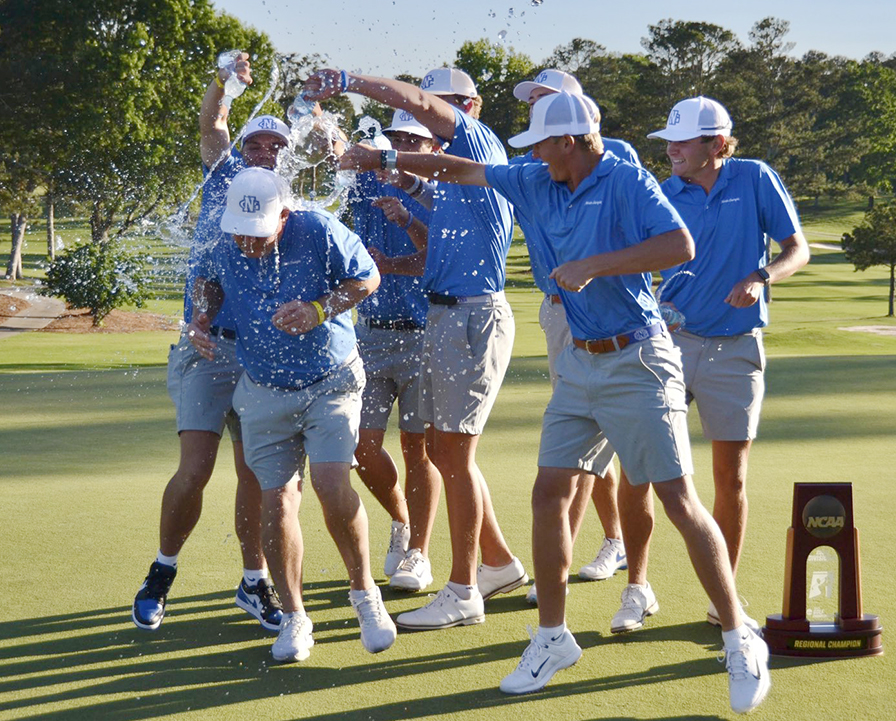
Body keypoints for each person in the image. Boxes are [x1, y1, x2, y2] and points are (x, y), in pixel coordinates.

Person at [339, 92, 772, 714]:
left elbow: (679, 245)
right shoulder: (537, 178)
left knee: (678, 500)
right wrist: (382, 157)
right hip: (578, 364)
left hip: (637, 359)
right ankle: (551, 637)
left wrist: (594, 265)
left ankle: (737, 637)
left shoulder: (625, 180)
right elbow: (459, 169)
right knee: (549, 492)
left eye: (542, 144)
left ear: (569, 141)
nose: (534, 155)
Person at [306, 67, 528, 630]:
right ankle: (497, 565)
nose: (428, 112)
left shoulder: (475, 140)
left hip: (470, 315)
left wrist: (350, 79)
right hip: (449, 317)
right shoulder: (451, 174)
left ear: (468, 107)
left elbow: (407, 112)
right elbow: (423, 200)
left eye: (438, 105)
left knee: (451, 456)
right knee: (451, 455)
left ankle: (463, 589)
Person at [189, 166, 396, 662]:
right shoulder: (225, 237)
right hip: (262, 389)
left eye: (257, 232)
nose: (247, 242)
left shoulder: (319, 228)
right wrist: (200, 315)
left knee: (329, 482)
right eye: (240, 231)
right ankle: (295, 617)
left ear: (285, 215)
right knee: (277, 502)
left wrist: (320, 308)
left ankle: (365, 594)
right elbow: (208, 283)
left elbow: (368, 276)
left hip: (331, 379)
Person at [633, 96, 810, 627]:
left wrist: (762, 278)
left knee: (729, 478)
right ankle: (636, 586)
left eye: (681, 141)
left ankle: (722, 600)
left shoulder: (754, 179)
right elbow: (639, 264)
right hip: (672, 345)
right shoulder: (665, 193)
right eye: (668, 141)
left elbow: (797, 249)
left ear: (716, 143)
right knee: (640, 467)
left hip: (736, 348)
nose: (670, 150)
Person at [131, 52, 287, 633]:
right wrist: (224, 78)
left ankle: (255, 582)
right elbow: (212, 123)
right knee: (195, 469)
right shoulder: (222, 173)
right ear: (243, 147)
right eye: (258, 143)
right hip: (207, 347)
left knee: (258, 474)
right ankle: (161, 574)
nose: (265, 152)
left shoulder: (288, 199)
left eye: (276, 146)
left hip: (261, 357)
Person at [510, 70, 638, 606]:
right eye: (532, 103)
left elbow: (648, 236)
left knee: (591, 444)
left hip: (607, 311)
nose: (535, 110)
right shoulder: (531, 167)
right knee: (582, 440)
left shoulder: (616, 160)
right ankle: (607, 543)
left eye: (545, 102)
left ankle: (586, 557)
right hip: (557, 307)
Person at [347, 109, 443, 591]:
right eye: (396, 138)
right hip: (370, 335)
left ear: (432, 149)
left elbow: (434, 264)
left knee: (417, 450)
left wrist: (406, 225)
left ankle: (419, 554)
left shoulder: (443, 194)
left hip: (425, 334)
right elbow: (337, 159)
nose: (402, 145)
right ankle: (402, 523)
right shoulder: (367, 185)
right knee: (362, 446)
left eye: (413, 139)